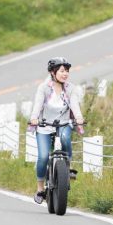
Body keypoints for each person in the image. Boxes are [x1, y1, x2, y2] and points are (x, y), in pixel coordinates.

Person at [29, 57, 85, 204]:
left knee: (66, 139)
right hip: (44, 125)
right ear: (53, 73)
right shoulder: (44, 88)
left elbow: (74, 105)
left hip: (64, 124)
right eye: (62, 71)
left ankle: (68, 167)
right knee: (42, 157)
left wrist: (79, 118)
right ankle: (40, 188)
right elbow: (37, 104)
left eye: (67, 71)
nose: (65, 73)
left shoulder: (71, 88)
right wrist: (34, 118)